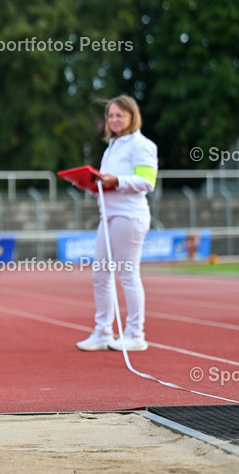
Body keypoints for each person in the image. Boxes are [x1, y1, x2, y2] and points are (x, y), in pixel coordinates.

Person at [76, 95, 158, 353]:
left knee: (127, 274)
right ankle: (103, 331)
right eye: (111, 115)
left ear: (132, 117)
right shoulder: (111, 147)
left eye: (120, 115)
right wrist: (91, 184)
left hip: (129, 216)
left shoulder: (142, 145)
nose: (114, 120)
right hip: (108, 215)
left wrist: (116, 181)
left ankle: (135, 333)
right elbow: (108, 181)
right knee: (100, 274)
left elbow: (147, 182)